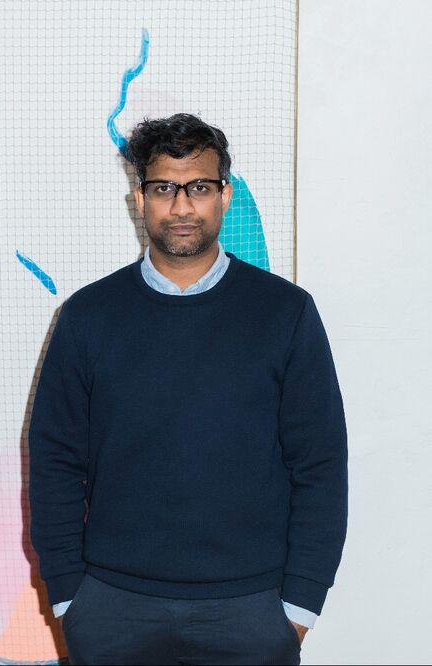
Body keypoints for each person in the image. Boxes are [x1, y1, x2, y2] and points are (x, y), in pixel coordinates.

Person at [28, 113, 348, 665]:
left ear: (224, 195)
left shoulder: (285, 313)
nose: (181, 206)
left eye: (198, 187)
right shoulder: (87, 316)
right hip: (112, 609)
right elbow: (55, 461)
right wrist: (68, 597)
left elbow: (319, 463)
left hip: (251, 610)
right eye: (164, 188)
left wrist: (300, 606)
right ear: (139, 198)